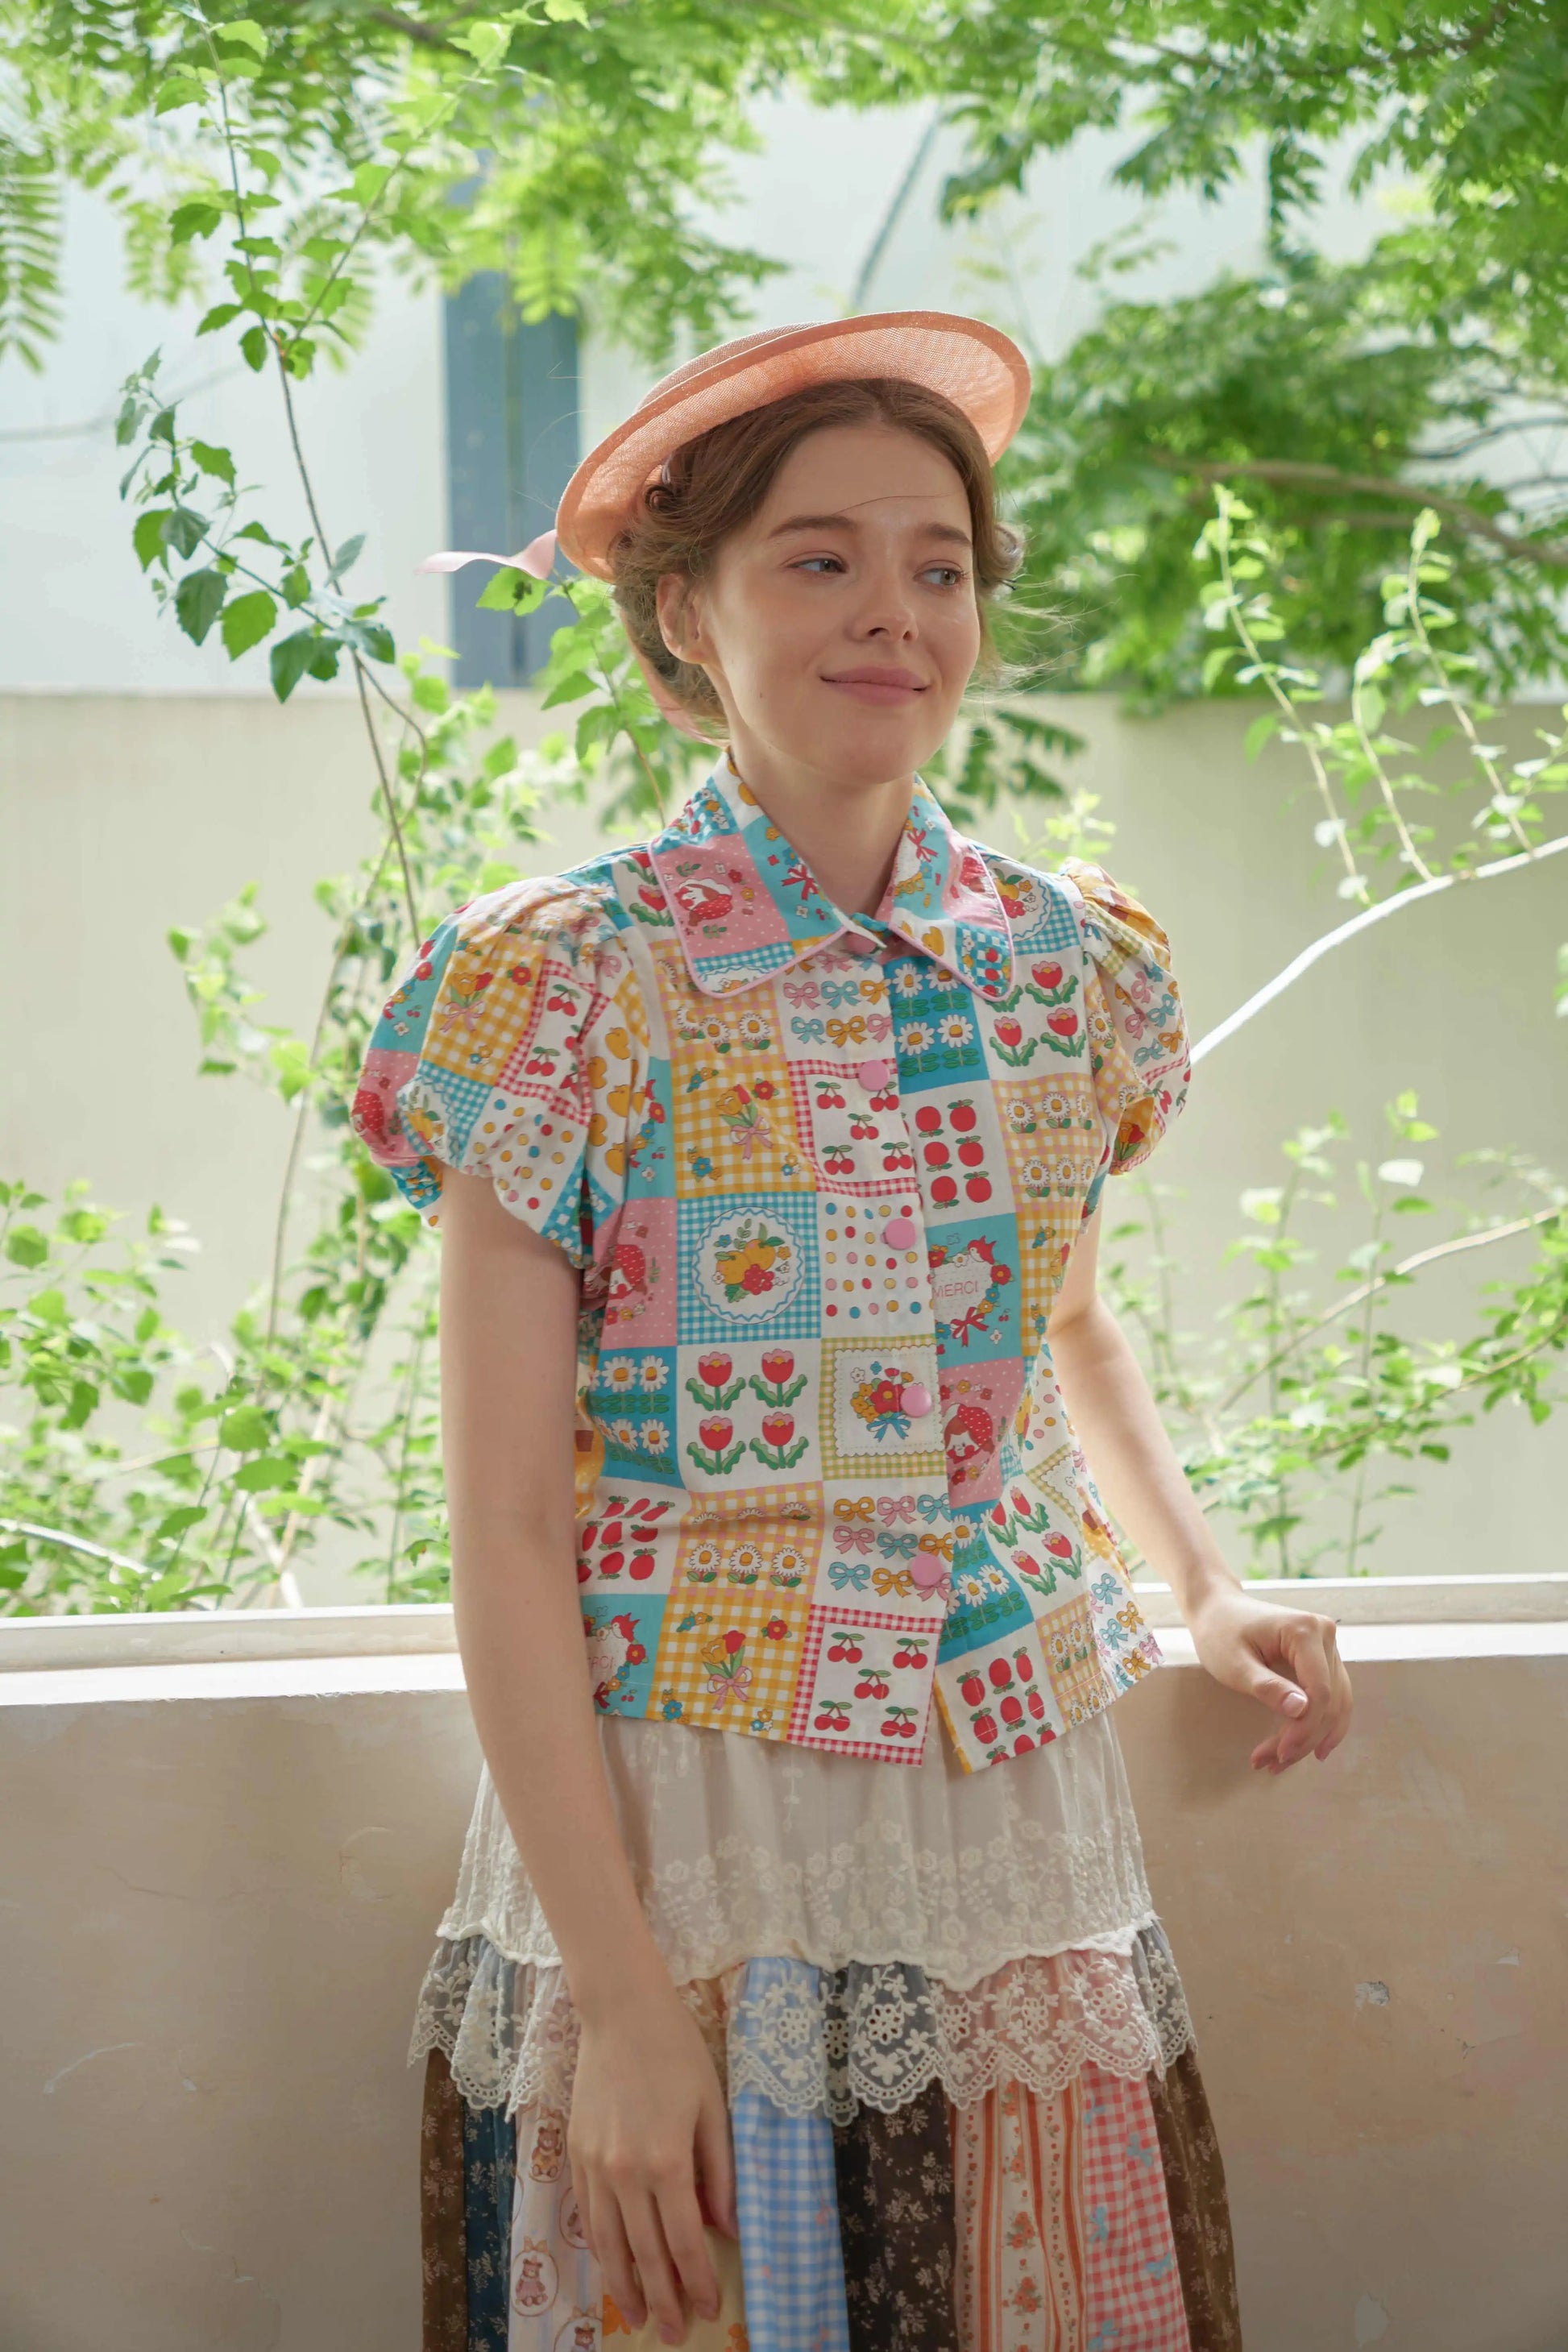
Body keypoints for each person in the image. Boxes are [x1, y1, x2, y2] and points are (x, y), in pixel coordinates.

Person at [353, 310, 1353, 2352]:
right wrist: (627, 2004)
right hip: (687, 1822)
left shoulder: (1069, 965)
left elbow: (1065, 1323)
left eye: (938, 563)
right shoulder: (566, 979)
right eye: (819, 557)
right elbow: (506, 1532)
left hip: (1016, 1804)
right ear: (685, 611)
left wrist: (1200, 1583)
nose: (894, 610)